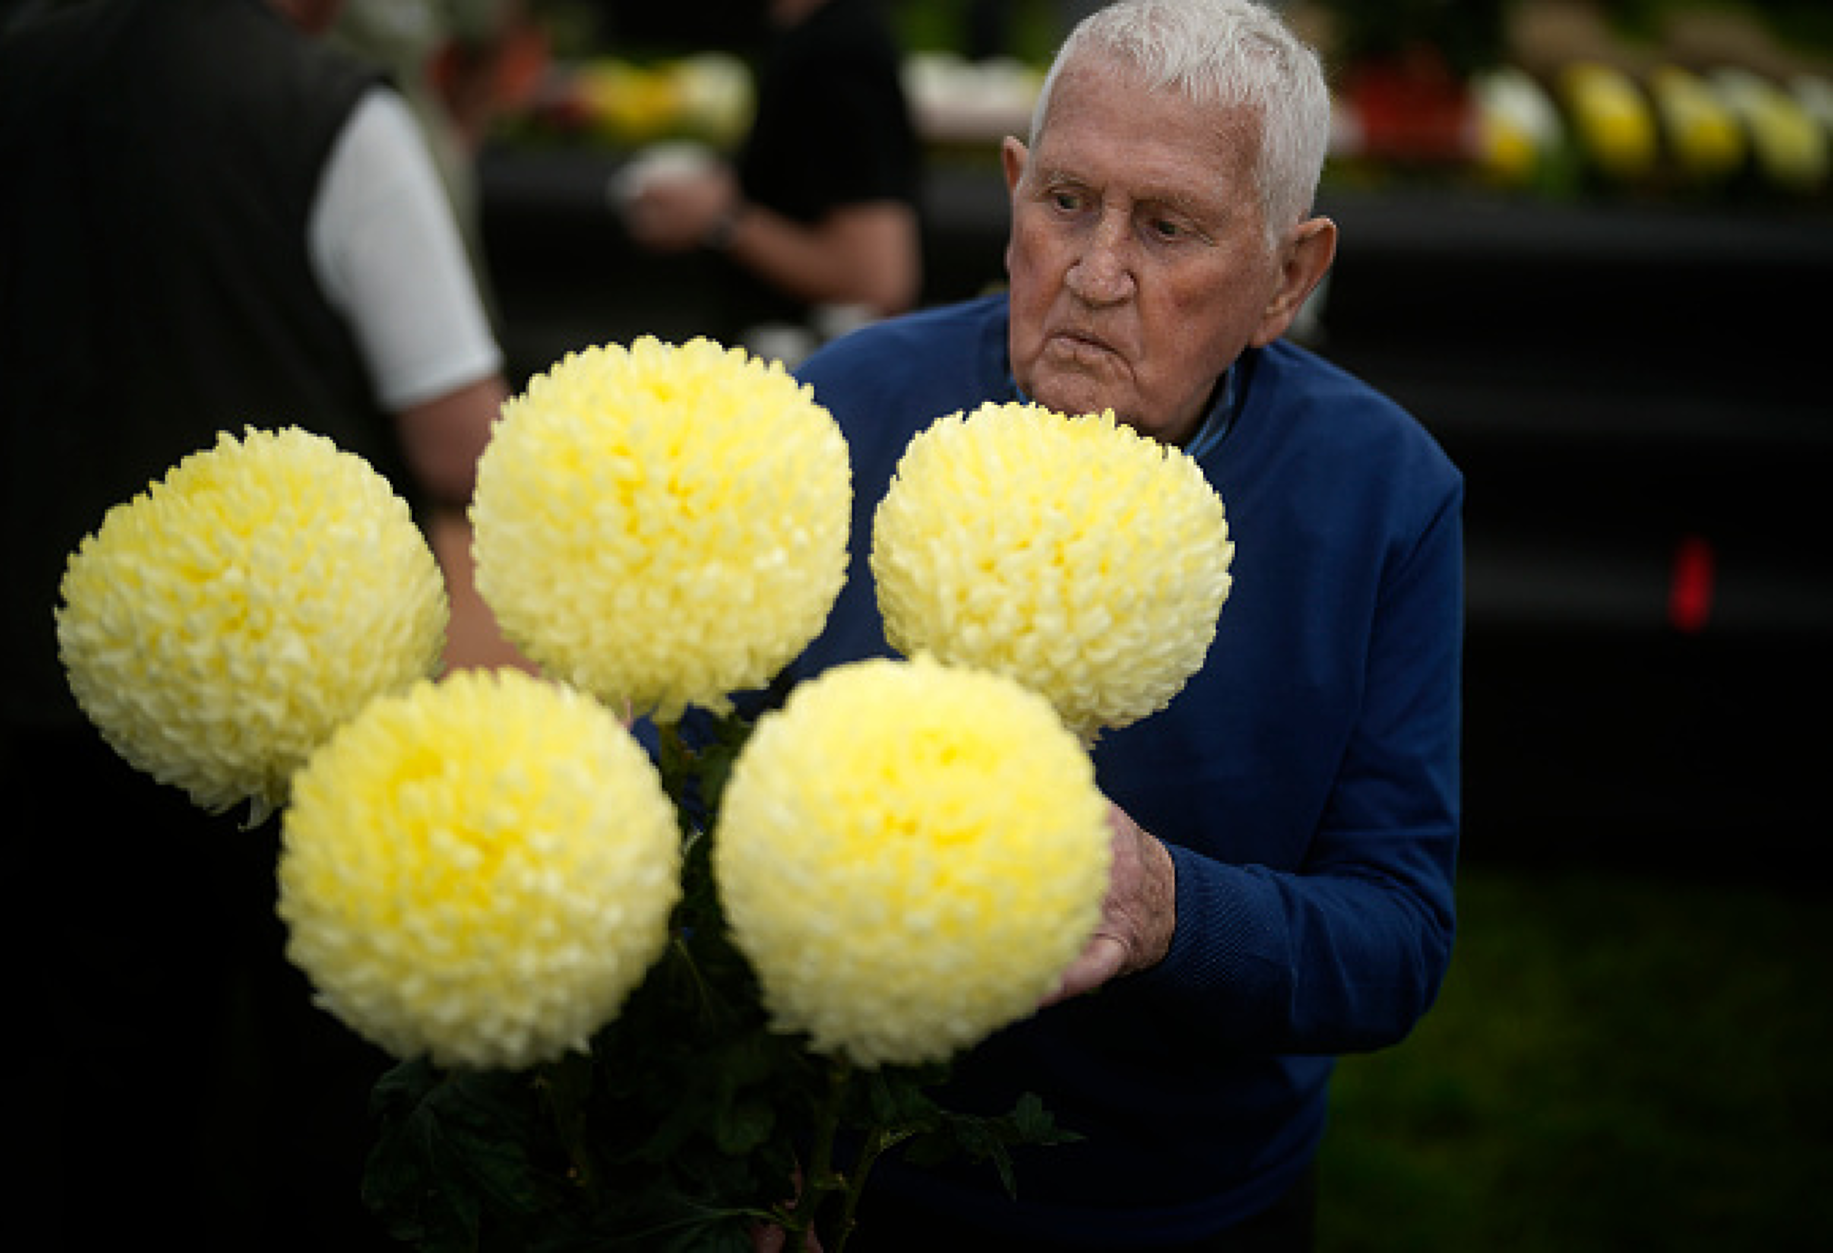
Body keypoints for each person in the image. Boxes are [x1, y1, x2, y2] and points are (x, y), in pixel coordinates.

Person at [774, 1, 1464, 1248]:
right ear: (1008, 191)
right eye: (1064, 202)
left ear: (1287, 276)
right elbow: (683, 778)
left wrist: (1167, 907)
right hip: (825, 1183)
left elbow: (1396, 935)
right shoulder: (835, 412)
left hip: (1179, 1198)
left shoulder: (1381, 496)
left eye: (1167, 227)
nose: (1094, 274)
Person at [0, 0, 515, 1246]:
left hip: (53, 674)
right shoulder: (331, 113)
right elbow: (456, 434)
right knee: (311, 1084)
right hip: (294, 700)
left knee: (99, 1081)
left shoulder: (6, 85)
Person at [619, 0, 922, 350]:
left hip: (800, 371)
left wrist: (723, 219)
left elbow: (877, 280)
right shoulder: (814, 38)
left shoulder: (839, 52)